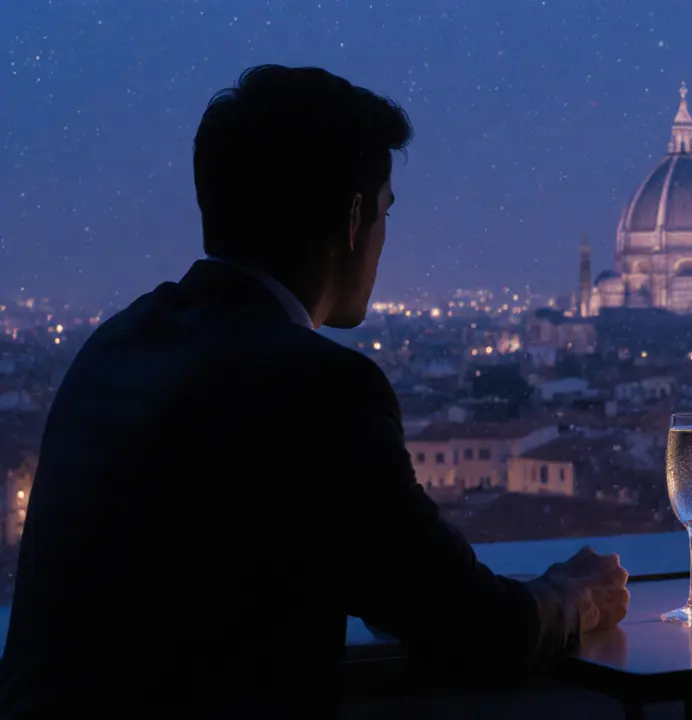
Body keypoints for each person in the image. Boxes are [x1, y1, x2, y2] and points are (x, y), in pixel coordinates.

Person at [0, 65, 630, 717]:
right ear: (354, 220)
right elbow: (475, 627)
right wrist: (573, 596)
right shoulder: (320, 390)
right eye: (386, 212)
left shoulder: (113, 347)